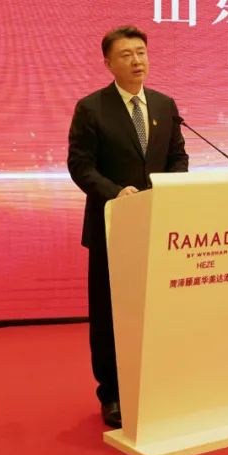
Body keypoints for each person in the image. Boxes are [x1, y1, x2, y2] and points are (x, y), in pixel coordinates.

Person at [67, 25, 189, 428]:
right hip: (112, 226)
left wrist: (167, 189)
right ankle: (113, 394)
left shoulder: (164, 105)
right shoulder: (92, 108)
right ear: (108, 63)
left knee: (156, 309)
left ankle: (155, 382)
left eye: (141, 52)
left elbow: (178, 157)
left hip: (157, 225)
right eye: (126, 55)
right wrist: (115, 193)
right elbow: (80, 165)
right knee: (110, 314)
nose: (137, 61)